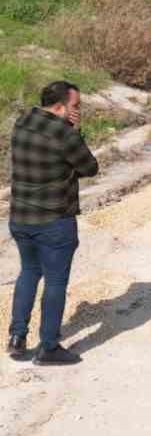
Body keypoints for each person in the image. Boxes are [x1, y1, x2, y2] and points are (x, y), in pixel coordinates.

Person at [7, 80, 99, 365]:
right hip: (55, 220)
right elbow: (90, 167)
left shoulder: (23, 121)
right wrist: (74, 130)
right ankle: (49, 347)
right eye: (75, 106)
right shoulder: (65, 134)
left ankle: (17, 336)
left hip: (21, 217)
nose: (78, 110)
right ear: (60, 107)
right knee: (56, 281)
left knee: (28, 273)